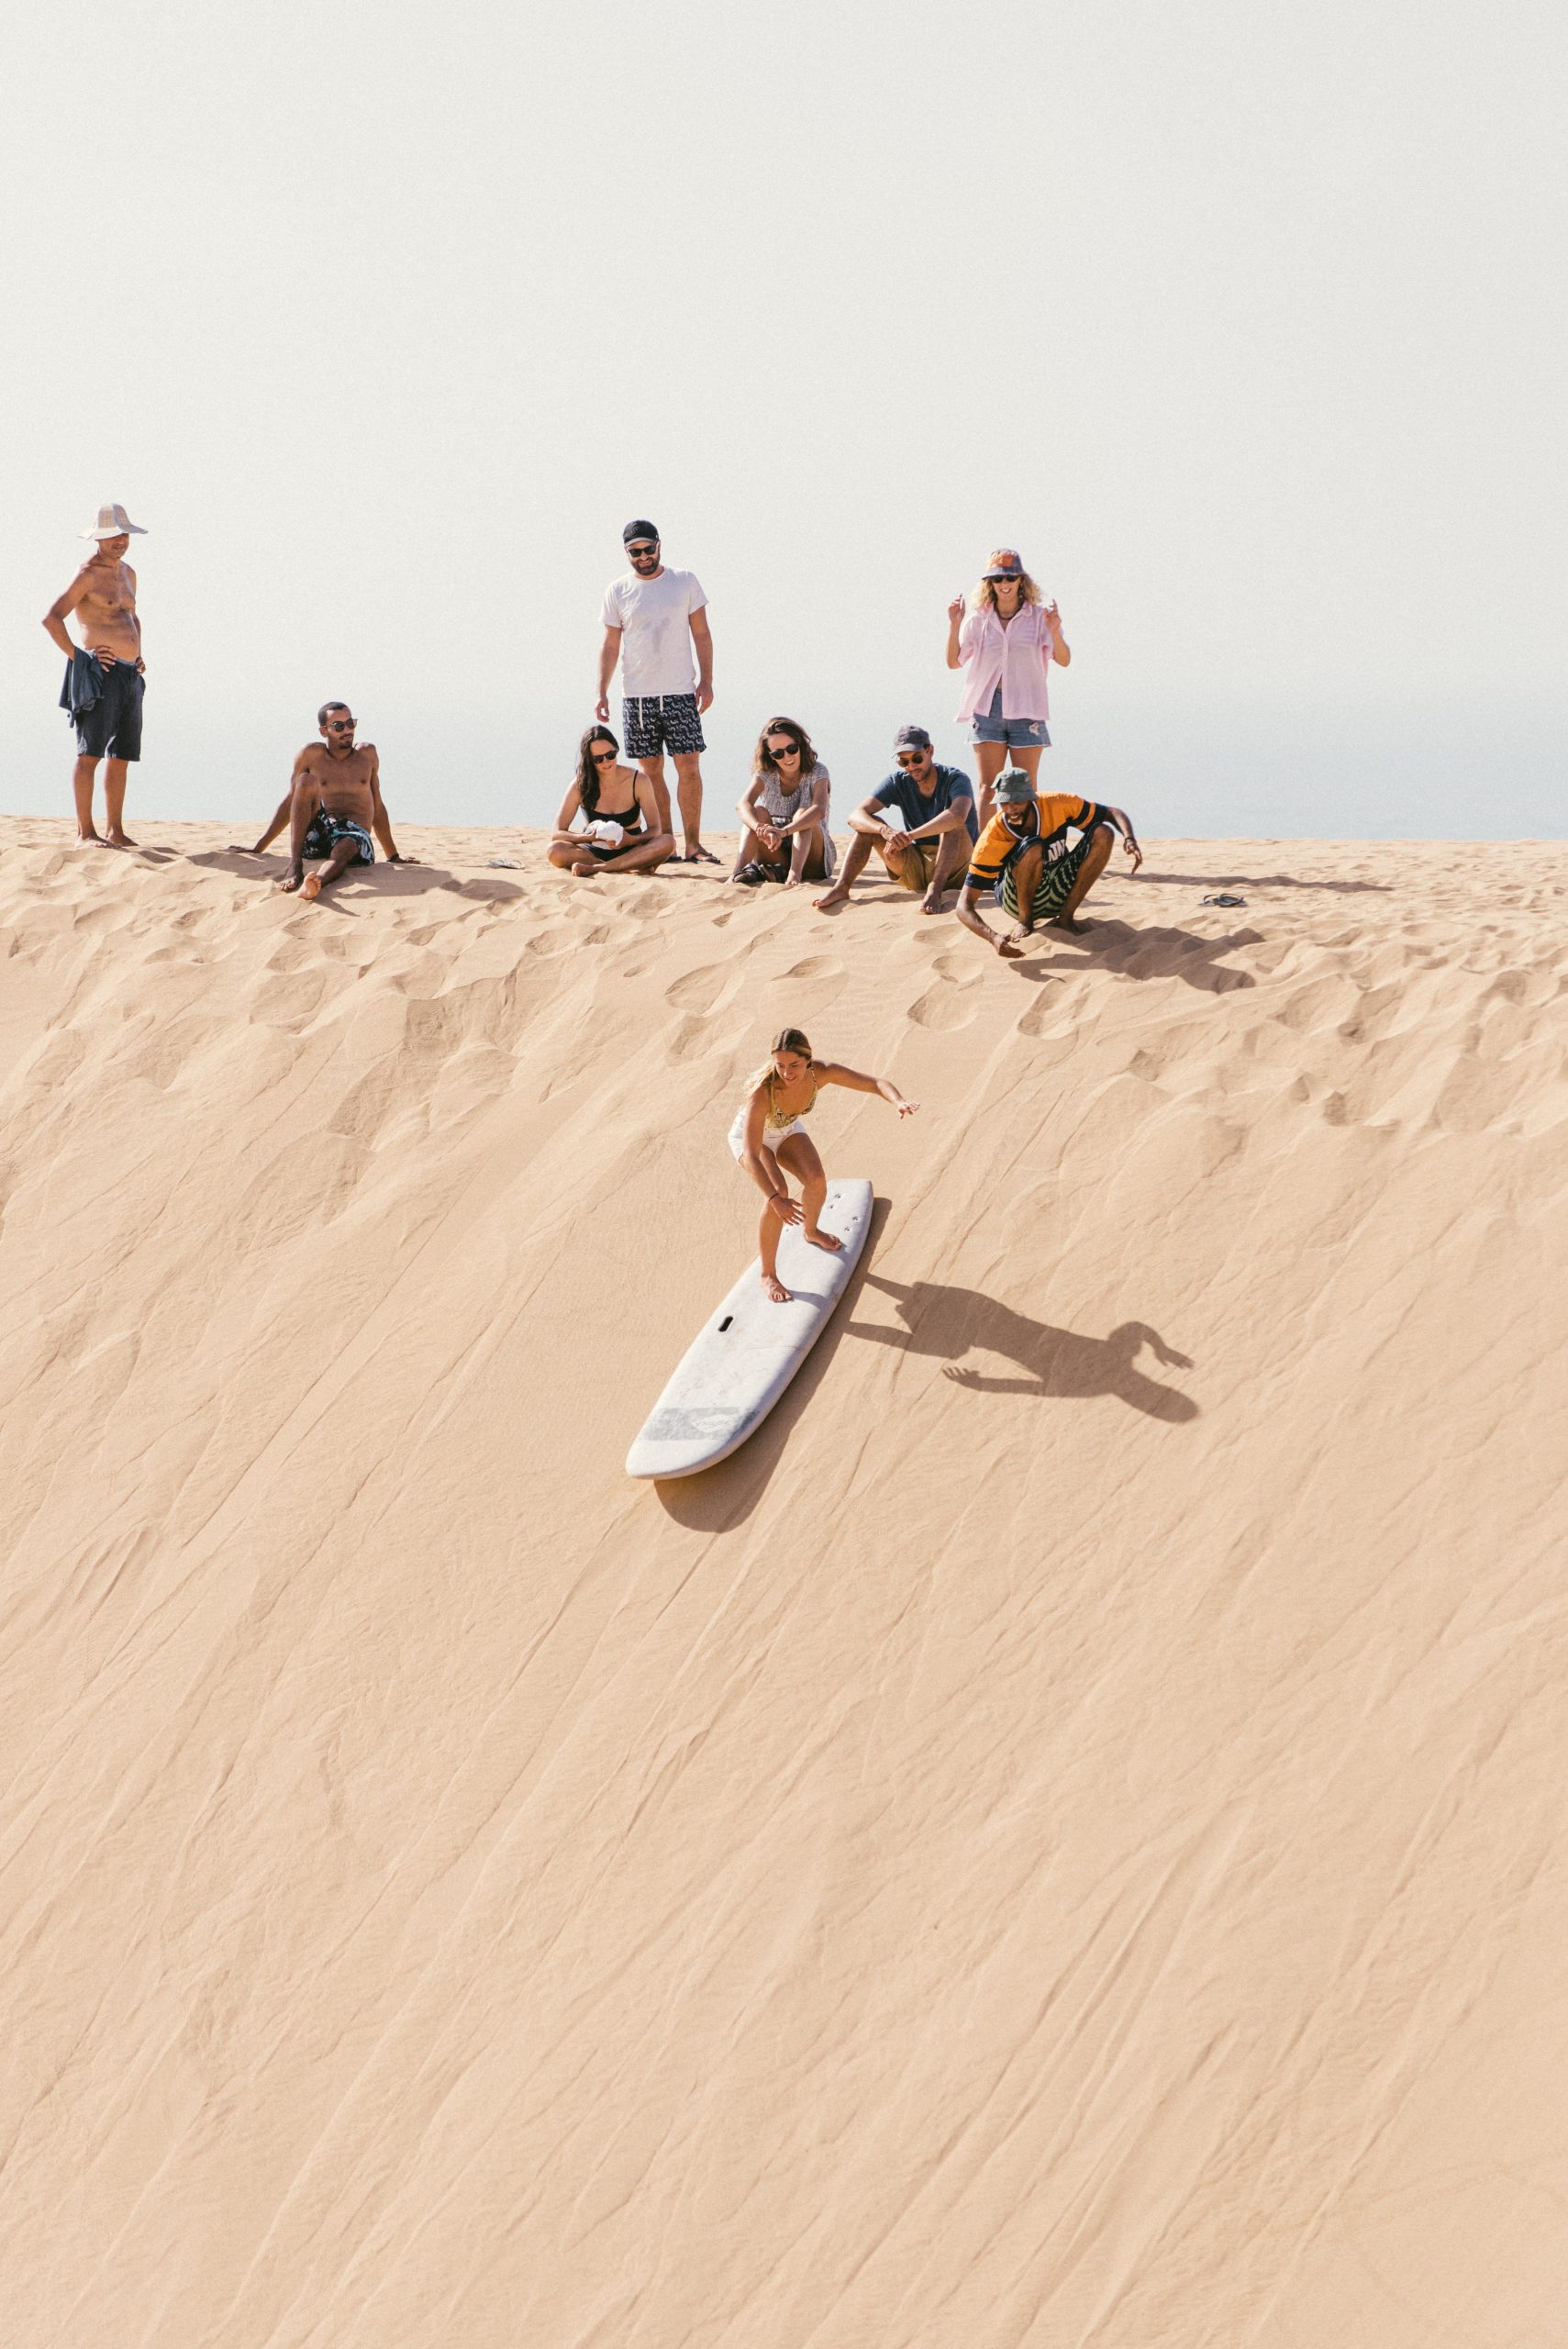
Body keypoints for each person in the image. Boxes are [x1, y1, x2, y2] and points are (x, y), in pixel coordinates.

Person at [730, 1027, 917, 1304]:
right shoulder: (763, 1094)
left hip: (787, 1129)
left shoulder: (822, 1072)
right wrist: (773, 1199)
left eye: (794, 1065)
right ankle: (767, 1274)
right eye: (780, 1065)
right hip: (754, 1142)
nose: (787, 1073)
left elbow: (875, 1083)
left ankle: (811, 1231)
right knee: (780, 1192)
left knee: (816, 1180)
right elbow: (751, 1153)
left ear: (808, 1059)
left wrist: (898, 1101)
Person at [595, 520, 717, 864]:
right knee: (650, 772)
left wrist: (706, 681)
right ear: (627, 553)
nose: (644, 556)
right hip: (636, 696)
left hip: (680, 692)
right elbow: (609, 645)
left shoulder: (684, 581)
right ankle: (667, 845)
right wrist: (601, 692)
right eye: (636, 552)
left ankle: (693, 844)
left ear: (659, 545)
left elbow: (702, 634)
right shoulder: (617, 590)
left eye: (649, 549)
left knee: (689, 767)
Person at [42, 502, 149, 848]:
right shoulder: (88, 573)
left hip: (130, 674)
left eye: (123, 534)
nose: (119, 540)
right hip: (101, 674)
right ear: (99, 538)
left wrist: (139, 652)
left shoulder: (128, 573)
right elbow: (52, 617)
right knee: (90, 754)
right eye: (111, 534)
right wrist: (80, 656)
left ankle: (115, 830)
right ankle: (85, 833)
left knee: (122, 757)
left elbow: (132, 617)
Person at [956, 767, 1141, 959]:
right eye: (1004, 802)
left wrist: (1129, 839)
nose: (1011, 809)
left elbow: (1111, 812)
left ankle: (1066, 918)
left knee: (1104, 833)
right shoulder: (993, 836)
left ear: (1030, 797)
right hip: (1015, 899)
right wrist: (992, 937)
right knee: (1033, 845)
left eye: (1017, 801)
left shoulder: (1057, 803)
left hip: (1058, 890)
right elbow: (963, 906)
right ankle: (1025, 921)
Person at [946, 548, 1070, 829]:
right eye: (998, 578)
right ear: (990, 583)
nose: (1005, 583)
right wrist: (954, 625)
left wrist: (1054, 630)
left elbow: (1063, 659)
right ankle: (984, 854)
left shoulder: (1039, 617)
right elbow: (954, 662)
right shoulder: (977, 619)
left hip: (1027, 709)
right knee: (989, 789)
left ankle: (1029, 850)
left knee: (1025, 790)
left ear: (1021, 580)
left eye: (1011, 577)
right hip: (986, 709)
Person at [244, 705, 411, 897]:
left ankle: (316, 882)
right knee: (305, 781)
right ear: (324, 731)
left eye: (351, 724)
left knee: (344, 848)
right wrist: (258, 847)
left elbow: (378, 805)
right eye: (339, 726)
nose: (347, 731)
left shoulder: (367, 754)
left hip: (354, 835)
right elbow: (292, 799)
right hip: (320, 832)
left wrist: (394, 857)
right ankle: (295, 864)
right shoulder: (311, 754)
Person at [813, 726, 976, 916]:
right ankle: (841, 888)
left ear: (930, 750)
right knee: (868, 826)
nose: (911, 766)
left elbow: (958, 815)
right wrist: (885, 831)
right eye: (903, 762)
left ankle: (935, 891)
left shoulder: (956, 778)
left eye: (916, 759)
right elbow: (855, 816)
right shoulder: (898, 781)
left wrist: (910, 835)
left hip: (957, 867)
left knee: (953, 825)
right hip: (917, 865)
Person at [549, 725, 673, 874]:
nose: (606, 762)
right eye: (598, 759)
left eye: (611, 755)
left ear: (616, 749)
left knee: (668, 841)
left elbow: (655, 829)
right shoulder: (579, 785)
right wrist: (587, 838)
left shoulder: (638, 780)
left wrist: (631, 840)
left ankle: (601, 869)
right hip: (592, 851)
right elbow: (557, 832)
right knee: (554, 849)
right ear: (589, 760)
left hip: (632, 850)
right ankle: (621, 867)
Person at [729, 717, 836, 887]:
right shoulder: (765, 774)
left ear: (801, 745)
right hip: (777, 850)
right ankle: (737, 873)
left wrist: (785, 831)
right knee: (758, 812)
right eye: (778, 753)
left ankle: (795, 874)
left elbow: (818, 810)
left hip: (812, 857)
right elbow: (742, 805)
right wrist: (760, 827)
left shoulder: (818, 771)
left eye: (792, 749)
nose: (787, 757)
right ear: (770, 756)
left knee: (803, 813)